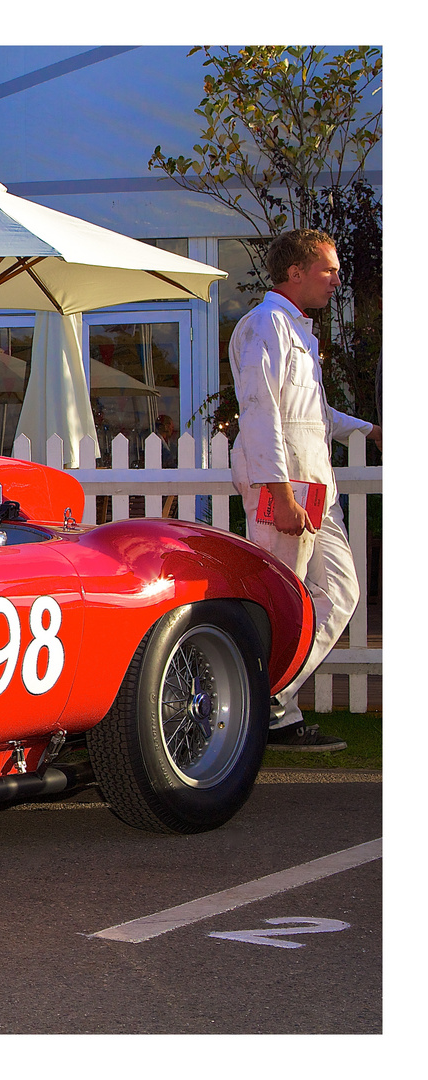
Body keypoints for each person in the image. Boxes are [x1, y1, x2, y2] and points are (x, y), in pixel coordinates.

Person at [229, 227, 382, 752]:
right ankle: (271, 708)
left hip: (315, 485)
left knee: (339, 592)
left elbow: (309, 413)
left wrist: (365, 430)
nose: (337, 279)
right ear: (295, 273)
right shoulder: (263, 326)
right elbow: (260, 413)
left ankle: (269, 695)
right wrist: (282, 493)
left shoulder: (293, 328)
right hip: (286, 488)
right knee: (284, 599)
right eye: (328, 269)